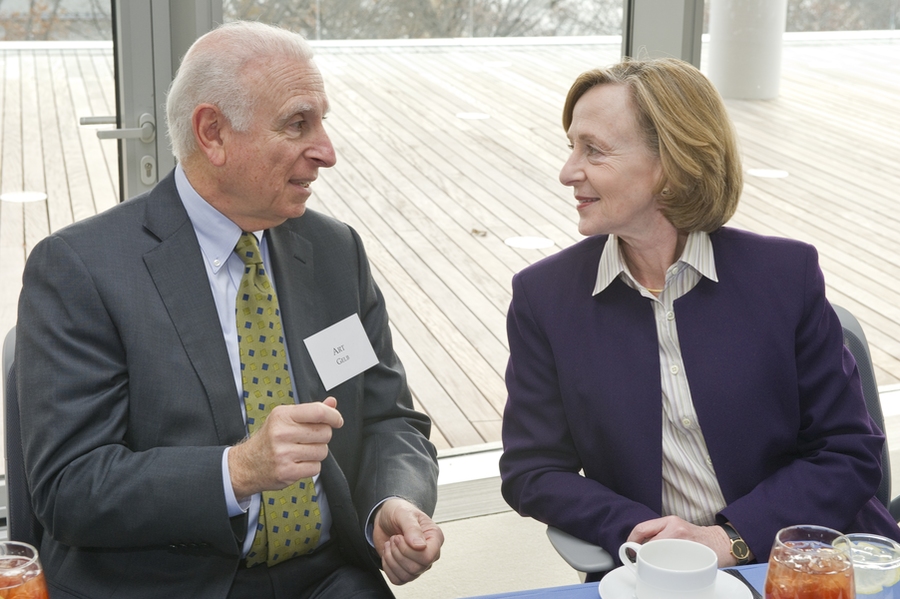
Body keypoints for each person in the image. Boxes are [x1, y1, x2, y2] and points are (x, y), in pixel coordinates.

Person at [15, 21, 442, 599]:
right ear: (212, 132)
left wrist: (394, 502)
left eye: (323, 121)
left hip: (327, 578)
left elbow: (391, 419)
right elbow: (70, 488)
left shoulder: (336, 251)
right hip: (162, 585)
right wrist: (238, 471)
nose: (327, 152)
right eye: (298, 123)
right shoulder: (81, 269)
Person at [498, 57, 900, 579]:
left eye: (593, 150)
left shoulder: (786, 275)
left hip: (803, 563)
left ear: (671, 163)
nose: (567, 171)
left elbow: (849, 452)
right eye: (571, 146)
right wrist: (645, 533)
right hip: (656, 575)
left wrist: (727, 539)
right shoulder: (544, 298)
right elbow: (533, 469)